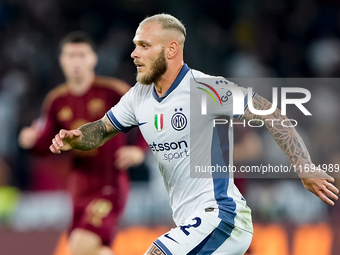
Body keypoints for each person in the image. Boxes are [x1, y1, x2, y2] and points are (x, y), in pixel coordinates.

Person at [49, 15, 339, 255]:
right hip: (190, 221)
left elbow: (271, 113)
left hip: (223, 217)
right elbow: (101, 130)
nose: (134, 54)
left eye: (144, 46)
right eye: (136, 45)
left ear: (171, 49)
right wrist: (77, 137)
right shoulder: (138, 97)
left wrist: (304, 166)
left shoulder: (205, 89)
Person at [19, 31, 147, 255]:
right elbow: (47, 144)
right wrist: (31, 141)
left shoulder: (112, 92)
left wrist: (138, 151)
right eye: (70, 55)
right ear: (62, 61)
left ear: (93, 59)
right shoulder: (56, 101)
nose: (76, 61)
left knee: (79, 247)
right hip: (78, 190)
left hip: (110, 185)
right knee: (94, 251)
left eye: (81, 55)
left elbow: (148, 117)